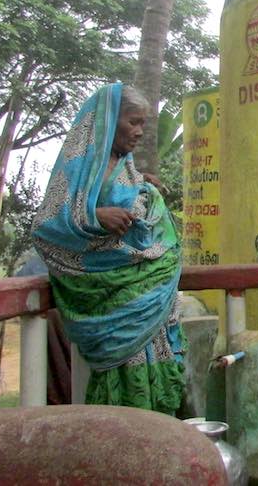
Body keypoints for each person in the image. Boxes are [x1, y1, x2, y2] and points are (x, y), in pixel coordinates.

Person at [31, 83, 185, 414]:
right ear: (107, 121)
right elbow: (46, 227)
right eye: (133, 122)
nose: (140, 132)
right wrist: (95, 217)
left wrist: (143, 187)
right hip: (109, 306)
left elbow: (138, 217)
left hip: (149, 304)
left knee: (161, 386)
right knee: (123, 401)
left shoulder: (128, 169)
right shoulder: (79, 169)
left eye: (143, 123)